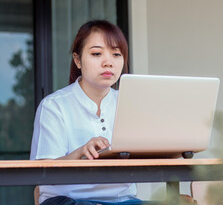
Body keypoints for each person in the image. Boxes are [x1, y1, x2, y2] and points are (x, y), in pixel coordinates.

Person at [30, 20, 142, 205]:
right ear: (77, 60)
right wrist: (80, 153)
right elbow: (43, 174)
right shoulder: (54, 106)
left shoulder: (129, 104)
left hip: (123, 200)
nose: (108, 63)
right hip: (69, 200)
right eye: (97, 53)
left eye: (116, 54)